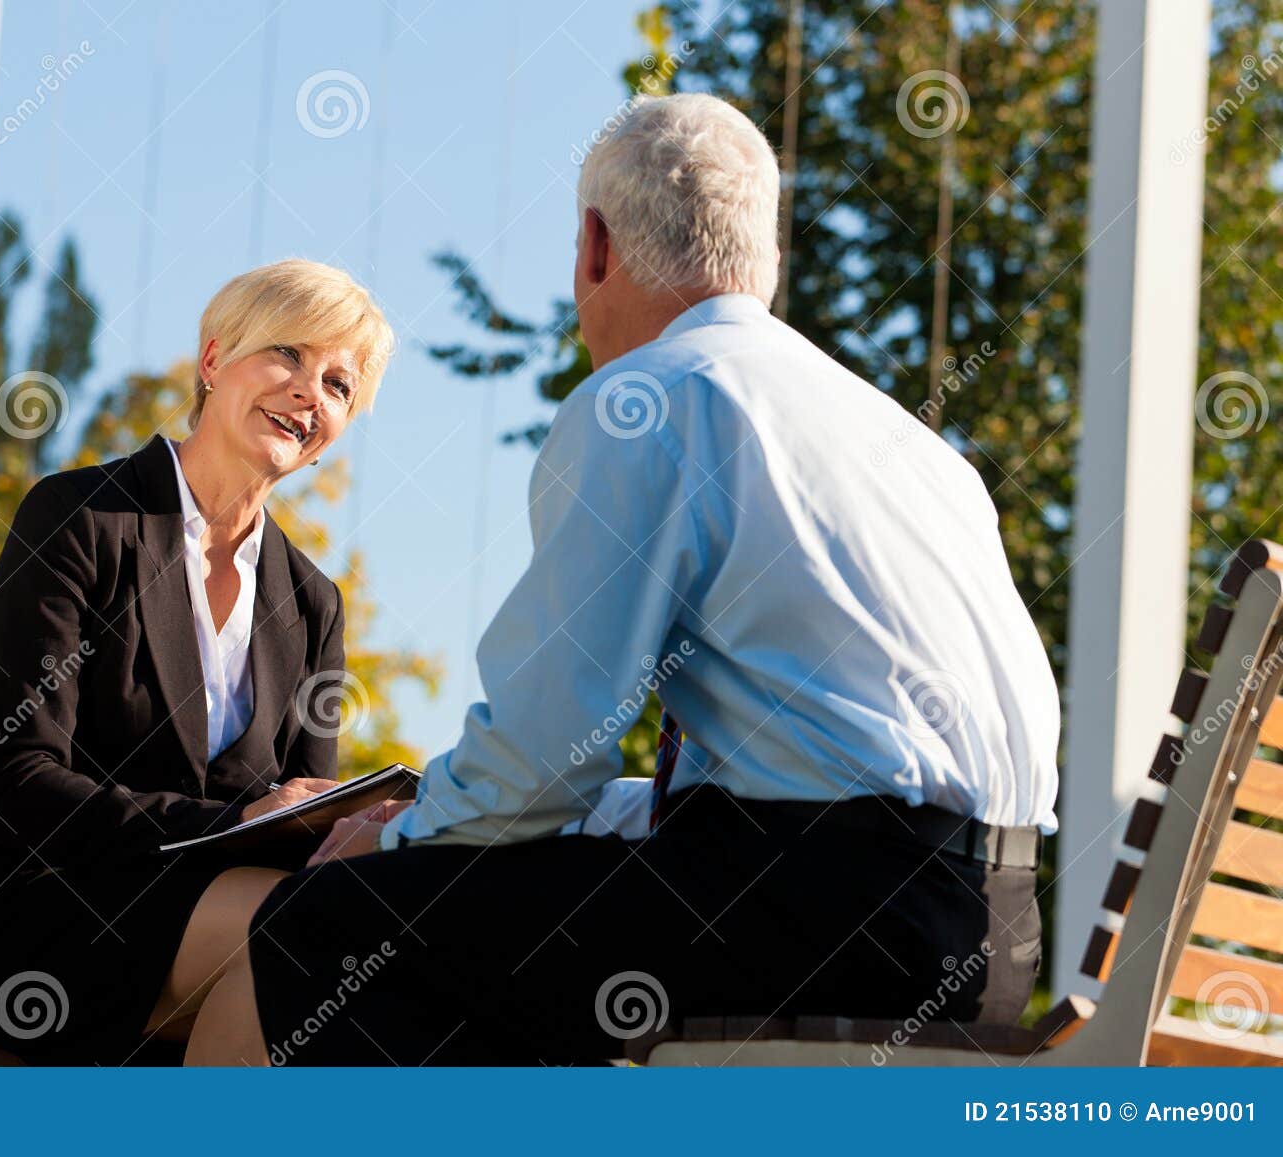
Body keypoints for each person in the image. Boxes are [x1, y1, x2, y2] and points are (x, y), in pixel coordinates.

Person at [185, 94, 1061, 1066]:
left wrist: (399, 837)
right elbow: (827, 764)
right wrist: (442, 815)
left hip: (832, 923)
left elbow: (546, 752)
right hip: (990, 930)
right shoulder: (913, 446)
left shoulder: (650, 398)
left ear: (595, 246)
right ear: (758, 257)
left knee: (329, 928)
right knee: (501, 933)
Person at [0, 258, 394, 1065]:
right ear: (214, 359)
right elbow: (14, 773)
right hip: (20, 910)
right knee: (296, 943)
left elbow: (302, 817)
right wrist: (231, 824)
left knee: (348, 933)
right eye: (288, 354)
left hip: (209, 922)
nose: (310, 392)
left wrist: (359, 822)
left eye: (339, 384)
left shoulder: (312, 604)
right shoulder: (79, 519)